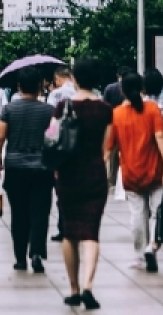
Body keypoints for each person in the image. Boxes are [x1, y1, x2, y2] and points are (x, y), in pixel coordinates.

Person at [52, 57, 113, 310]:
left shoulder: (63, 107)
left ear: (74, 79)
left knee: (70, 232)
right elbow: (106, 149)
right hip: (94, 174)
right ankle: (89, 285)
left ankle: (74, 288)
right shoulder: (105, 109)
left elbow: (52, 140)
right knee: (91, 232)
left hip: (67, 175)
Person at [106, 72, 163, 273]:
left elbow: (109, 148)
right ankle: (152, 245)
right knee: (156, 213)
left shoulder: (116, 114)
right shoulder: (152, 109)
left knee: (137, 214)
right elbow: (162, 139)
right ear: (143, 89)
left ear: (122, 91)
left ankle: (139, 253)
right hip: (155, 170)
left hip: (131, 173)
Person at [0, 67, 54, 273]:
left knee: (19, 213)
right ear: (40, 86)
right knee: (40, 212)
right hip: (42, 167)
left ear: (18, 87)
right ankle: (36, 253)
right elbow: (53, 139)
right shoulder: (49, 111)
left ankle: (20, 258)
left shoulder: (9, 110)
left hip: (16, 167)